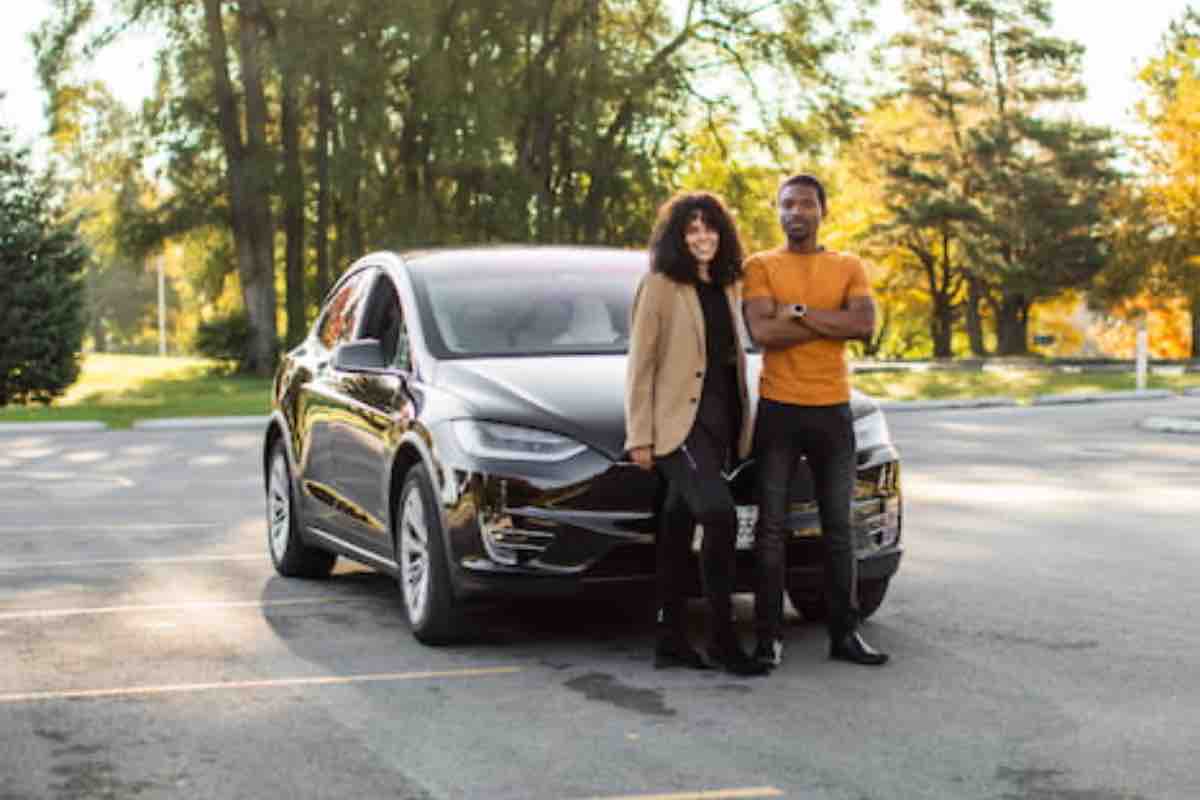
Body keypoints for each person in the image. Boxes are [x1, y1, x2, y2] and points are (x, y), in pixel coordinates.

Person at [742, 174, 889, 668]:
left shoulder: (848, 265)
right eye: (787, 204)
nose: (796, 212)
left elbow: (864, 325)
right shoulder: (760, 266)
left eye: (806, 204)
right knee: (772, 528)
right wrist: (828, 321)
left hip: (833, 409)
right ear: (777, 210)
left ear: (823, 210)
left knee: (839, 527)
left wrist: (799, 313)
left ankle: (844, 635)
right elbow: (763, 332)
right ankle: (768, 639)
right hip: (779, 410)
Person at [624, 191, 768, 677]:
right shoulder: (661, 285)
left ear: (722, 234)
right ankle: (724, 640)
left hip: (721, 422)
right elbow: (640, 364)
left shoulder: (728, 285)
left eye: (709, 227)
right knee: (719, 517)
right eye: (692, 229)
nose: (702, 236)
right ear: (677, 237)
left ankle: (670, 640)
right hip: (677, 427)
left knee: (677, 526)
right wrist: (639, 434)